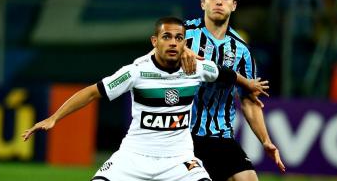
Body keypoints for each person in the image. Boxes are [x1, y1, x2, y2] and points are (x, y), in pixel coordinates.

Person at [22, 17, 270, 181]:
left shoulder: (197, 68)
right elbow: (92, 92)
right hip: (133, 157)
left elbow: (225, 74)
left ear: (185, 43)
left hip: (179, 160)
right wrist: (54, 118)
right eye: (166, 37)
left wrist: (249, 84)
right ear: (155, 41)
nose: (173, 43)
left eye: (178, 38)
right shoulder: (136, 71)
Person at [181, 0, 286, 181]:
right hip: (183, 136)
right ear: (203, 3)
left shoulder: (241, 50)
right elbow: (156, 51)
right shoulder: (184, 34)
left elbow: (249, 100)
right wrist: (178, 50)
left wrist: (265, 140)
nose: (219, 2)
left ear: (234, 5)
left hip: (221, 136)